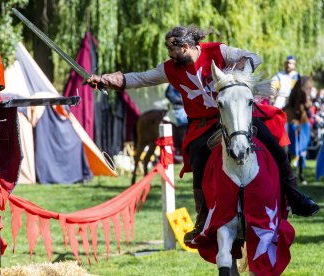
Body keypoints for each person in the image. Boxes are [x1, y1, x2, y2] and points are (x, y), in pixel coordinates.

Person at [85, 25, 319, 244]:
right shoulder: (169, 69)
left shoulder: (218, 51)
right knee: (198, 157)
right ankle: (202, 218)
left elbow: (254, 57)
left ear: (185, 47)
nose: (169, 54)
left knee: (272, 144)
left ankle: (295, 197)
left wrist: (235, 76)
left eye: (172, 48)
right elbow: (141, 78)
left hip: (234, 115)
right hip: (204, 125)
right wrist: (107, 80)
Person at [284, 77, 313, 185]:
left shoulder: (295, 93)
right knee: (299, 151)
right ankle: (299, 174)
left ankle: (292, 174)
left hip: (296, 123)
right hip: (299, 124)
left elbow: (290, 107)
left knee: (294, 150)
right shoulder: (301, 93)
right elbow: (304, 107)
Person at [165, 84, 188, 156]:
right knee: (185, 120)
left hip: (186, 106)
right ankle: (180, 146)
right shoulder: (172, 83)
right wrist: (182, 99)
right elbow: (168, 94)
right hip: (178, 108)